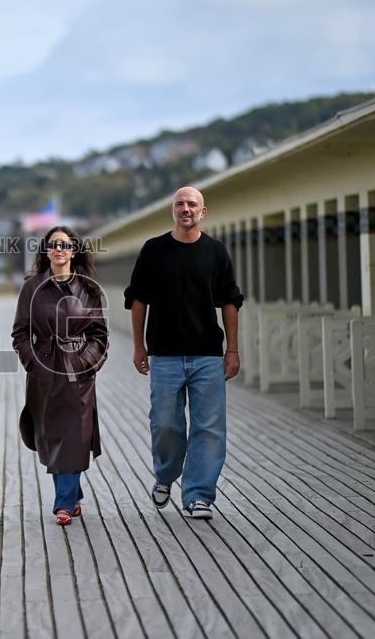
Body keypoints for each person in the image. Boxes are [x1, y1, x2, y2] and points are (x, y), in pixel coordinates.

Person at [124, 187, 243, 521]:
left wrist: (231, 349)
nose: (185, 208)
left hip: (207, 355)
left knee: (209, 427)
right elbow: (137, 299)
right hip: (164, 355)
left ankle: (198, 495)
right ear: (172, 211)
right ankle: (165, 474)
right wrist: (138, 345)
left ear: (203, 212)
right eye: (179, 204)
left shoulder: (216, 252)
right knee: (165, 424)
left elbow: (230, 301)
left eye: (192, 204)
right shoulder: (153, 250)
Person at [12, 226, 109, 526]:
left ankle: (63, 503)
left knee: (74, 436)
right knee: (52, 437)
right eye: (53, 245)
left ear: (74, 251)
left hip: (77, 373)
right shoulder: (31, 288)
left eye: (65, 245)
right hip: (44, 373)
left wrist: (84, 363)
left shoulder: (89, 289)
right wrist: (33, 362)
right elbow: (20, 333)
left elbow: (100, 336)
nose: (59, 250)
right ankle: (73, 493)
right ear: (46, 251)